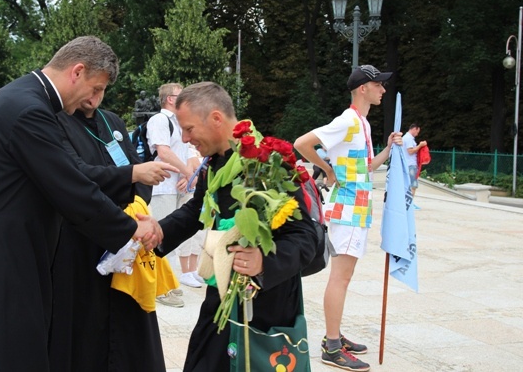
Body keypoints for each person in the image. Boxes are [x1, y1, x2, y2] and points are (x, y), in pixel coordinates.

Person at [0, 36, 173, 371]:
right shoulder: (31, 111)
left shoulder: (22, 97)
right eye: (95, 87)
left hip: (0, 244)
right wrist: (130, 230)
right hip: (4, 253)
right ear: (77, 71)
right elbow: (70, 187)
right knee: (5, 352)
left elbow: (70, 176)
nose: (95, 99)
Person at [157, 81, 319, 371]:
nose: (184, 138)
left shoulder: (269, 162)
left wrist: (263, 261)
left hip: (266, 301)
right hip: (221, 292)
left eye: (189, 129)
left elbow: (305, 236)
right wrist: (157, 233)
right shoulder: (214, 165)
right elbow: (197, 210)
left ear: (216, 118)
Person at [49, 73, 166, 371]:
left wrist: (138, 202)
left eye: (102, 90)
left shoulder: (111, 121)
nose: (96, 97)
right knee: (85, 325)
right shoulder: (58, 119)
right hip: (83, 239)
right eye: (93, 88)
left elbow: (135, 166)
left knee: (128, 323)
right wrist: (132, 177)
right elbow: (74, 175)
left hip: (126, 235)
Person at [294, 64, 403, 372]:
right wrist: (327, 170)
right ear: (362, 89)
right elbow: (301, 143)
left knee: (343, 277)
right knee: (340, 277)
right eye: (378, 84)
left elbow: (366, 166)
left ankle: (334, 335)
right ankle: (331, 345)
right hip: (347, 209)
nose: (383, 89)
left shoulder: (361, 124)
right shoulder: (347, 121)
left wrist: (390, 148)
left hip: (356, 208)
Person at [147, 83, 203, 302]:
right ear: (170, 99)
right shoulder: (159, 120)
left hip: (181, 183)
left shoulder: (180, 122)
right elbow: (163, 151)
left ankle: (172, 281)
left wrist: (187, 173)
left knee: (182, 232)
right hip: (163, 184)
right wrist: (187, 172)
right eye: (181, 95)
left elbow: (187, 150)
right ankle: (160, 288)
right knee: (163, 233)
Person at [402, 123, 427, 200]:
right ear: (414, 129)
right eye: (417, 132)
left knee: (408, 184)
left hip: (408, 164)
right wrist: (420, 145)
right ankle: (410, 203)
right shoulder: (408, 138)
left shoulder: (407, 138)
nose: (417, 134)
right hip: (410, 165)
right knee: (413, 185)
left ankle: (407, 201)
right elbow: (410, 151)